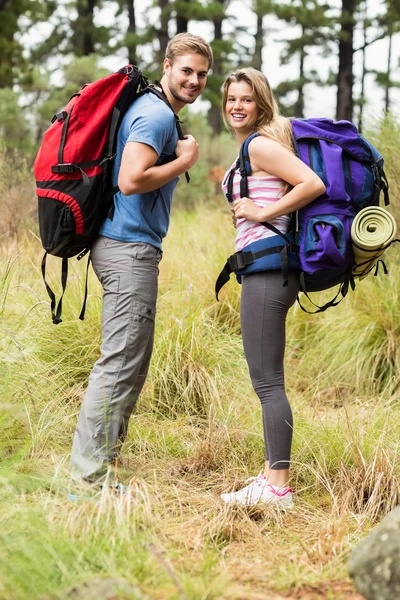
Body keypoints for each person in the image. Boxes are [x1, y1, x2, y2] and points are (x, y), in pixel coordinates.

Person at [70, 33, 213, 489]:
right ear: (167, 65)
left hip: (127, 247)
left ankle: (102, 466)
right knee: (120, 361)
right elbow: (132, 181)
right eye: (187, 70)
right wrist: (184, 159)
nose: (194, 80)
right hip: (128, 249)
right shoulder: (155, 115)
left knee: (130, 359)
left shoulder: (156, 110)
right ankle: (89, 481)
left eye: (202, 74)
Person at [219, 68, 326, 508]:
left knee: (267, 383)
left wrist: (262, 214)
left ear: (261, 103)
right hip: (264, 268)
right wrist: (252, 210)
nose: (237, 106)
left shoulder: (260, 144)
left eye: (246, 99)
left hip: (267, 270)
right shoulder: (255, 147)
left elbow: (312, 183)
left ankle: (277, 487)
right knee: (267, 379)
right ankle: (269, 474)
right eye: (231, 99)